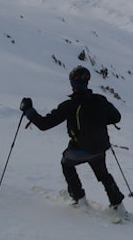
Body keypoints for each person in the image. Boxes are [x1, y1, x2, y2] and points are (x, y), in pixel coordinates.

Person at [20, 66, 125, 208]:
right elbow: (116, 117)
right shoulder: (100, 100)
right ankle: (117, 203)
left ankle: (79, 199)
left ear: (72, 84)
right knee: (103, 174)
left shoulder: (69, 105)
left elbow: (44, 124)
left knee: (66, 164)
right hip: (100, 148)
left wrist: (28, 111)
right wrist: (98, 120)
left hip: (80, 150)